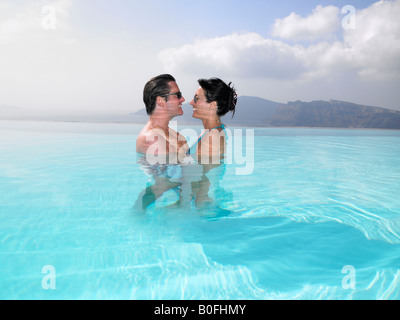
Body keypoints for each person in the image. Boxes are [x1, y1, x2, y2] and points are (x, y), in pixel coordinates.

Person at [136, 74, 189, 160]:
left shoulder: (177, 136)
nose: (183, 99)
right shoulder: (151, 138)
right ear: (161, 101)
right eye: (178, 95)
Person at [188, 78, 237, 159]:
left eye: (197, 98)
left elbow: (206, 171)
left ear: (213, 105)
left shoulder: (212, 137)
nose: (191, 102)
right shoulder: (213, 131)